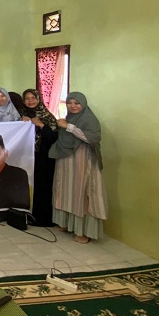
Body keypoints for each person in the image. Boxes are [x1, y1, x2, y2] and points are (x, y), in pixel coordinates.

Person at [49, 92, 107, 243]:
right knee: (67, 191)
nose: (73, 106)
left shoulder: (89, 119)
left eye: (77, 103)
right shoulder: (69, 117)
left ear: (83, 104)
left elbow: (92, 138)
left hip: (83, 160)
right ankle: (66, 223)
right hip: (67, 160)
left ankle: (84, 231)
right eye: (70, 103)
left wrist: (69, 127)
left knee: (82, 193)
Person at [22, 89, 59, 227]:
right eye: (27, 98)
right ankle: (30, 216)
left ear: (38, 99)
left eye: (33, 98)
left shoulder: (47, 116)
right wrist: (22, 122)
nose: (30, 101)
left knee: (44, 187)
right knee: (30, 186)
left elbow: (54, 137)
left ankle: (45, 218)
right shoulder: (21, 114)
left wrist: (41, 125)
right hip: (27, 157)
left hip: (45, 158)